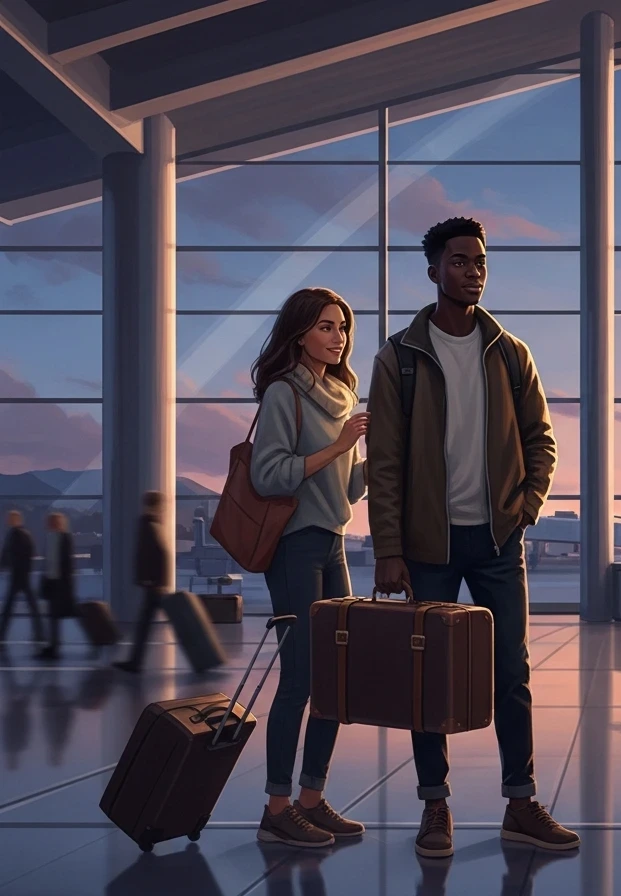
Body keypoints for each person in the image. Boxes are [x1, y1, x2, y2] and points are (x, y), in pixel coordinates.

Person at [366, 217, 577, 859]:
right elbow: (384, 461)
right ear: (433, 271)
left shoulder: (510, 353)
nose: (473, 271)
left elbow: (541, 438)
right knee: (428, 680)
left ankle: (520, 802)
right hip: (426, 546)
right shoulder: (399, 358)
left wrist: (527, 506)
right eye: (460, 261)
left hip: (495, 540)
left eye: (480, 262)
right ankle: (436, 806)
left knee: (511, 672)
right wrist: (388, 550)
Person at [249, 287, 370, 848]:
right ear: (300, 333)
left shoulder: (341, 395)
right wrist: (338, 444)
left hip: (334, 542)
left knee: (336, 681)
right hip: (295, 546)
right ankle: (276, 809)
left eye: (342, 326)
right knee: (299, 679)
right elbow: (269, 476)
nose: (338, 336)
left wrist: (374, 455)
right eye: (326, 326)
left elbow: (345, 487)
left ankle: (311, 800)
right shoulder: (283, 394)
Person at [113, 492, 171, 674]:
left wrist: (149, 579)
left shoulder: (148, 523)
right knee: (147, 624)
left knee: (144, 625)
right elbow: (162, 553)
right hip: (156, 583)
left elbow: (150, 553)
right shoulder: (155, 523)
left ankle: (135, 662)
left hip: (153, 584)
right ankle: (135, 661)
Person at [38, 513, 75, 661]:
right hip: (52, 582)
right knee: (53, 616)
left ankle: (54, 648)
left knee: (58, 615)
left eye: (51, 521)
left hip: (61, 584)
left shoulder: (65, 538)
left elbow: (68, 564)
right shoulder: (50, 538)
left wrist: (68, 586)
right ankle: (53, 646)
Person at [1, 510, 41, 645]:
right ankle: (39, 634)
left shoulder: (13, 535)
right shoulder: (23, 535)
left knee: (9, 608)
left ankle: (2, 635)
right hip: (22, 576)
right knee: (32, 607)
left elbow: (6, 555)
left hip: (18, 576)